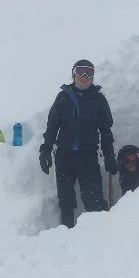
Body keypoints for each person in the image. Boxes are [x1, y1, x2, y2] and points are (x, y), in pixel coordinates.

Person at [39, 59, 117, 228]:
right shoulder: (63, 98)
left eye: (89, 72)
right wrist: (45, 150)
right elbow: (52, 126)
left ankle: (100, 235)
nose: (84, 76)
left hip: (87, 158)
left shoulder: (98, 100)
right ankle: (66, 236)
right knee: (66, 201)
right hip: (64, 157)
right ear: (73, 74)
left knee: (94, 200)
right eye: (81, 71)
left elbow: (105, 131)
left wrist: (110, 155)